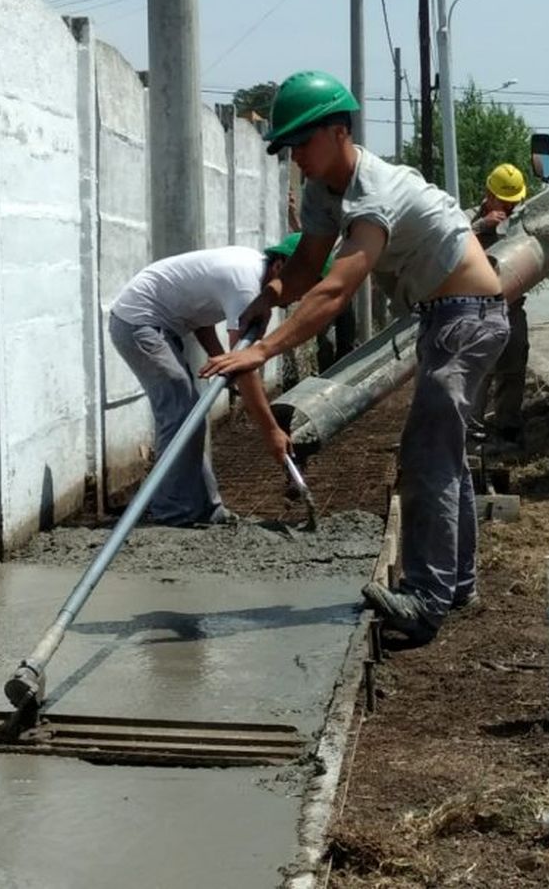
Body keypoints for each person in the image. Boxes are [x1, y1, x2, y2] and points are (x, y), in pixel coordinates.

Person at [202, 70, 509, 644]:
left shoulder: (374, 192)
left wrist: (264, 352)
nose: (297, 159)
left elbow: (339, 287)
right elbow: (306, 269)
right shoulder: (324, 193)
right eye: (288, 148)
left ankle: (424, 599)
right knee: (443, 454)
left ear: (340, 131)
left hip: (469, 317)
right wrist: (268, 300)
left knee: (425, 456)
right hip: (447, 317)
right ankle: (456, 583)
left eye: (303, 143)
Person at [108, 238, 305, 527]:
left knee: (189, 413)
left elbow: (200, 317)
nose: (300, 296)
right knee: (182, 413)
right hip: (138, 322)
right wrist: (271, 432)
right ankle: (171, 509)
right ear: (279, 266)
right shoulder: (245, 286)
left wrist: (221, 359)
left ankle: (203, 508)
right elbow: (247, 366)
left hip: (156, 323)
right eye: (303, 284)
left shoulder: (250, 270)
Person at [469, 163, 531, 446]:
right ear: (489, 196)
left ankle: (508, 426)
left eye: (513, 202)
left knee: (514, 365)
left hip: (512, 308)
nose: (508, 208)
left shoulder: (521, 219)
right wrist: (483, 226)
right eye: (504, 202)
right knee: (477, 371)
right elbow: (451, 241)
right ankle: (471, 428)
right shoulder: (468, 219)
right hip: (475, 311)